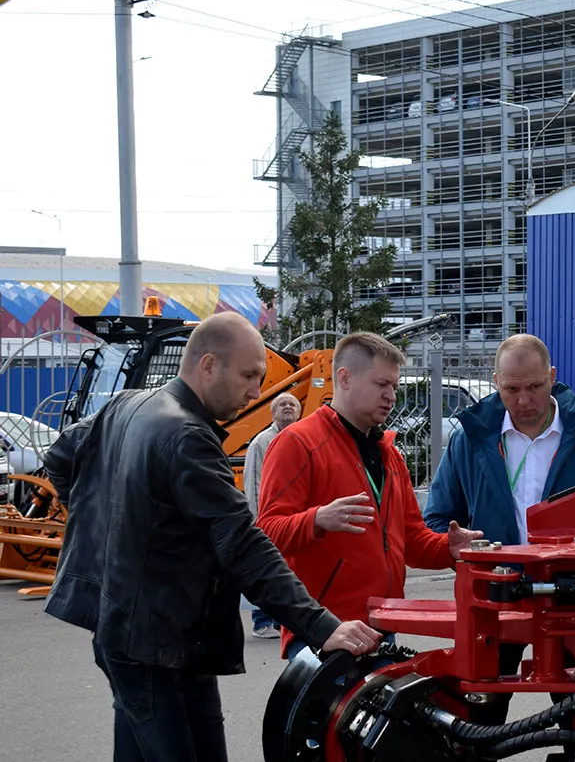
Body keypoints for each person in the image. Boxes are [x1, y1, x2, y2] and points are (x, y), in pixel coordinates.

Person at [43, 311, 382, 762]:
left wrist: (106, 531)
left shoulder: (127, 403)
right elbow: (242, 544)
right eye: (248, 376)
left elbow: (60, 457)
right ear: (208, 365)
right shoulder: (187, 436)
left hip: (138, 634)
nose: (256, 392)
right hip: (157, 642)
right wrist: (324, 626)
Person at [422, 333, 575, 723]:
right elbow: (437, 520)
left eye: (534, 387)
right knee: (479, 717)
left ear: (553, 377)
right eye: (512, 390)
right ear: (496, 382)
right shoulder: (469, 441)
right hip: (493, 600)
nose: (523, 401)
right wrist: (456, 544)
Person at [257, 331, 482, 660]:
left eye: (394, 386)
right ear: (344, 378)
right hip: (323, 631)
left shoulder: (389, 454)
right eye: (381, 384)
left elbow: (412, 541)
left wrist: (448, 548)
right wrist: (317, 519)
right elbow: (266, 533)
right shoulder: (297, 443)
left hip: (382, 627)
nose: (391, 396)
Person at [242, 392, 302, 639]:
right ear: (273, 412)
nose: (287, 407)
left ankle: (282, 621)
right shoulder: (261, 442)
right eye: (282, 404)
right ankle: (262, 622)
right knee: (267, 568)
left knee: (286, 570)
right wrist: (258, 520)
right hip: (268, 517)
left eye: (292, 404)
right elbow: (254, 481)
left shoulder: (301, 437)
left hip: (292, 515)